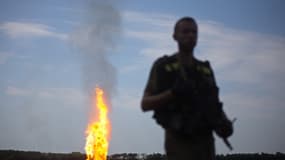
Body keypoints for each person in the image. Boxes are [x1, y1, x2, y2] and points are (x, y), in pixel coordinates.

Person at [141, 17, 233, 160]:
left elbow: (214, 104)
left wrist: (224, 123)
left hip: (206, 144)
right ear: (175, 36)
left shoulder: (205, 70)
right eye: (185, 31)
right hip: (179, 143)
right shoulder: (164, 67)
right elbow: (145, 104)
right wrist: (173, 93)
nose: (190, 35)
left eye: (194, 32)